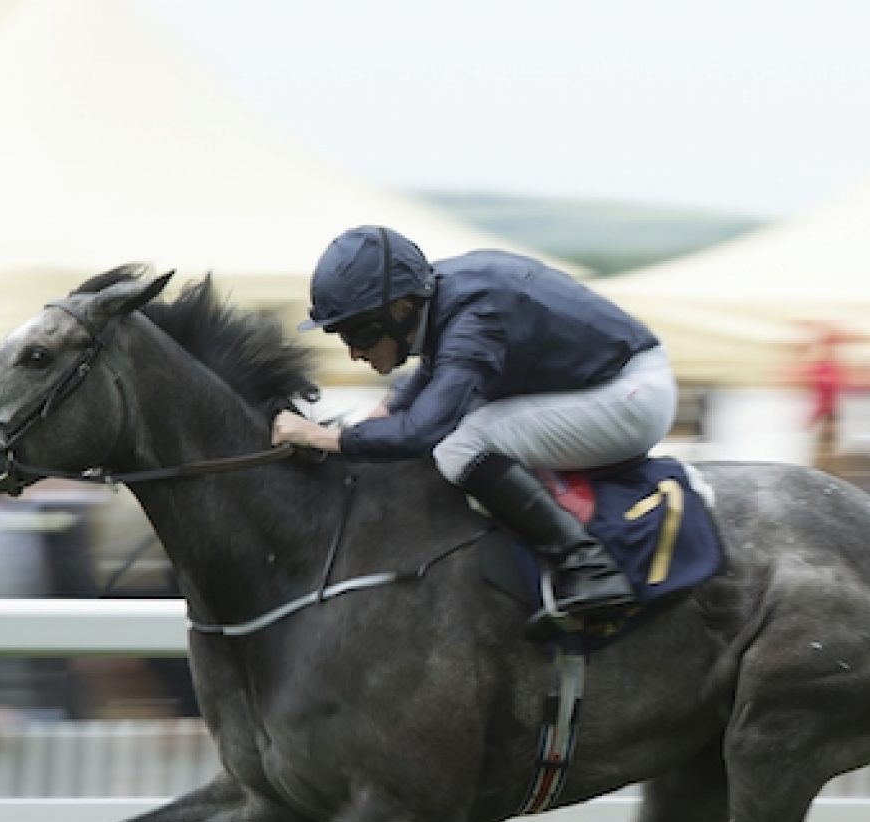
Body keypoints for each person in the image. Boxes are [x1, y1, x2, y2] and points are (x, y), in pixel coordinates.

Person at [270, 225, 677, 633]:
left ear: (399, 309)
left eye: (359, 332)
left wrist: (323, 436)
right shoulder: (437, 293)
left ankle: (589, 565)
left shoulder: (476, 316)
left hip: (633, 396)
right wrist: (382, 411)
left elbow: (421, 432)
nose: (354, 352)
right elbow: (433, 367)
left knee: (459, 447)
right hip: (606, 381)